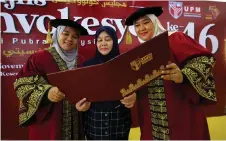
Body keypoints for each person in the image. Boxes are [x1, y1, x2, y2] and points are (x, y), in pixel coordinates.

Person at [124, 7, 217, 140]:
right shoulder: (139, 53)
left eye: (146, 22)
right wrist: (133, 94)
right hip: (152, 120)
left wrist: (183, 75)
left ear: (155, 22)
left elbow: (204, 60)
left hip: (181, 114)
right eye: (137, 25)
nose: (141, 28)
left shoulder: (174, 38)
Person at [13, 19, 89, 140]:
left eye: (75, 36)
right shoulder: (39, 58)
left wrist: (87, 101)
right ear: (57, 34)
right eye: (66, 33)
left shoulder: (81, 61)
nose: (70, 39)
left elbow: (88, 88)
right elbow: (21, 85)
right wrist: (47, 92)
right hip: (47, 125)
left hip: (75, 122)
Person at [75, 26, 136, 140]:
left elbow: (134, 87)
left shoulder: (125, 64)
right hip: (94, 120)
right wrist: (81, 104)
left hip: (120, 120)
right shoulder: (87, 66)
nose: (103, 43)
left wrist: (133, 95)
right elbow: (81, 93)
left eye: (107, 39)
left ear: (114, 41)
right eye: (99, 40)